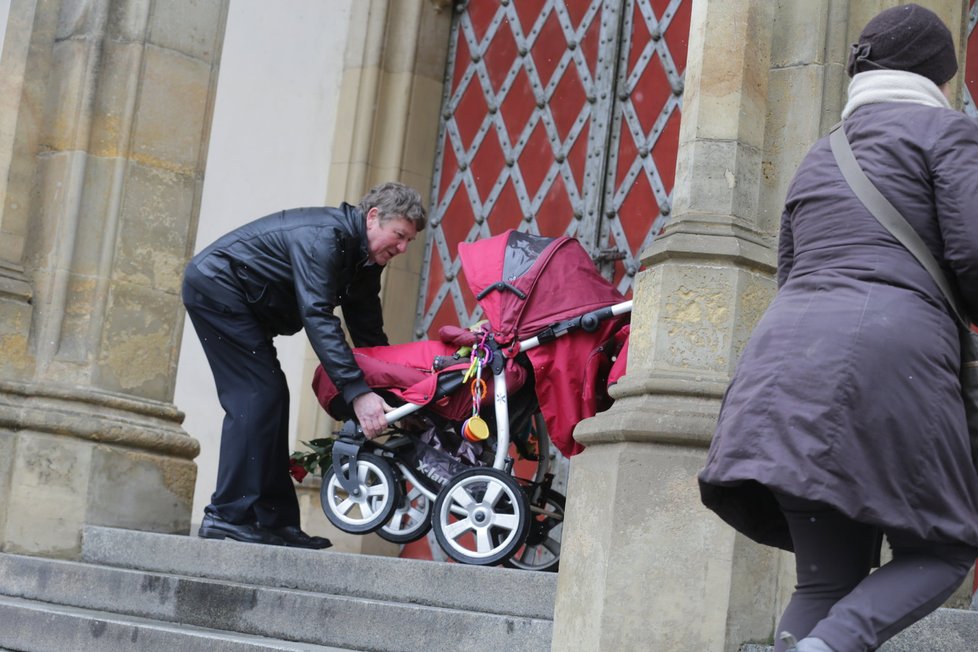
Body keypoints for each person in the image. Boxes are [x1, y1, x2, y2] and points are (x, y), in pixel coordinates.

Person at [698, 5, 978, 651]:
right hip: (889, 362)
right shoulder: (946, 134)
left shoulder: (822, 152)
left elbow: (789, 267)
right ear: (938, 76)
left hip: (783, 364)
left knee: (825, 583)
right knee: (947, 545)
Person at [182, 181, 426, 548]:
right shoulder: (324, 238)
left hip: (243, 304)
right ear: (373, 218)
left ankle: (275, 522)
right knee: (256, 396)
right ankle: (227, 515)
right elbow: (318, 315)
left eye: (409, 241)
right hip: (218, 289)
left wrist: (395, 395)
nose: (404, 248)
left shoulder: (364, 260)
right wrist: (358, 393)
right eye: (400, 235)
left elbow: (368, 331)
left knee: (270, 398)